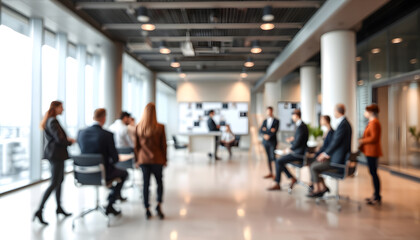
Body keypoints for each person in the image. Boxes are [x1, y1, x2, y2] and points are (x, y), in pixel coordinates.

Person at [77, 108, 128, 216]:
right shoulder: (107, 135)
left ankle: (111, 196)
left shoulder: (81, 133)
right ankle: (111, 202)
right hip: (103, 173)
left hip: (83, 174)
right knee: (124, 173)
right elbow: (115, 159)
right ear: (104, 118)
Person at [34, 101, 76, 225]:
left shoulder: (51, 120)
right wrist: (69, 141)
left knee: (59, 181)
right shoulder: (52, 121)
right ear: (56, 108)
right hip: (56, 155)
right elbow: (59, 139)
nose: (63, 109)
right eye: (61, 107)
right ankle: (39, 210)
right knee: (54, 182)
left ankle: (59, 208)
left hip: (57, 155)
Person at [309, 104, 352, 198]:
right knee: (314, 165)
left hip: (337, 161)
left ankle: (318, 189)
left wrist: (325, 154)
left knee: (313, 167)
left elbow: (335, 142)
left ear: (337, 111)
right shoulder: (344, 123)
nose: (334, 113)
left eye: (334, 111)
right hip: (338, 157)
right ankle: (322, 188)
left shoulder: (343, 124)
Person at [134, 103, 167, 220]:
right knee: (159, 182)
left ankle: (147, 208)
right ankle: (159, 205)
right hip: (157, 159)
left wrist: (137, 160)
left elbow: (136, 146)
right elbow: (164, 145)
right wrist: (165, 159)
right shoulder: (160, 127)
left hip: (143, 160)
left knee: (146, 184)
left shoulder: (138, 127)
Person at [268, 109, 308, 191]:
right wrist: (293, 139)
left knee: (279, 161)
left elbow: (298, 143)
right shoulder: (300, 126)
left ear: (296, 116)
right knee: (279, 160)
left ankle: (279, 183)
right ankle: (291, 178)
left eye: (292, 116)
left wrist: (288, 150)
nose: (292, 118)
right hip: (297, 151)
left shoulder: (301, 126)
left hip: (298, 154)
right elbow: (298, 139)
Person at [359, 104, 382, 205]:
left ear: (371, 112)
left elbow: (374, 138)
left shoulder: (374, 123)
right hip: (369, 151)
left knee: (374, 173)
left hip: (372, 151)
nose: (365, 113)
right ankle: (375, 195)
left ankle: (377, 196)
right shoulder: (371, 122)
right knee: (373, 173)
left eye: (366, 111)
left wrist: (362, 140)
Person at [306, 115, 334, 197]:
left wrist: (320, 154)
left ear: (326, 120)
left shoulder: (331, 132)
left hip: (328, 158)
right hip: (324, 156)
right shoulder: (327, 132)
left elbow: (328, 148)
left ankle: (316, 189)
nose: (320, 121)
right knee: (311, 164)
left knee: (313, 167)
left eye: (321, 119)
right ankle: (323, 187)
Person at [260, 106, 280, 178]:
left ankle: (276, 173)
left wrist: (267, 132)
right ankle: (270, 173)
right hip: (265, 142)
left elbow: (275, 131)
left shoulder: (276, 121)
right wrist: (267, 133)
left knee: (273, 157)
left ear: (272, 111)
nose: (269, 112)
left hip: (272, 142)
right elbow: (261, 131)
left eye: (270, 111)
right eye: (267, 111)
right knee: (268, 157)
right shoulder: (265, 121)